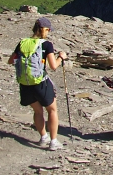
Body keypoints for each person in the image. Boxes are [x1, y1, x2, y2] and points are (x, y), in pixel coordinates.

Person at [8, 17, 68, 151]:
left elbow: (11, 61)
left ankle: (43, 137)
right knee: (52, 110)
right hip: (41, 83)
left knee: (37, 111)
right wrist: (61, 57)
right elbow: (53, 66)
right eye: (48, 30)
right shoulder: (46, 44)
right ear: (43, 29)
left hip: (25, 84)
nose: (48, 32)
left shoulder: (22, 43)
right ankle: (53, 141)